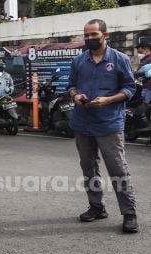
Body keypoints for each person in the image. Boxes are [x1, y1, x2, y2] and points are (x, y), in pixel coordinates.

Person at [68, 18, 138, 233]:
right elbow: (71, 86)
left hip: (109, 123)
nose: (89, 38)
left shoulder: (119, 59)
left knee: (117, 168)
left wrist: (107, 100)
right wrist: (76, 95)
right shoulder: (79, 61)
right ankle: (97, 207)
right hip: (83, 122)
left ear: (105, 35)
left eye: (94, 35)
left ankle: (129, 213)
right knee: (89, 168)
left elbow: (129, 88)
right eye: (86, 35)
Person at [135, 40, 151, 104]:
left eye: (139, 48)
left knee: (144, 108)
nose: (138, 50)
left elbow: (146, 73)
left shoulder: (149, 58)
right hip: (145, 86)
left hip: (148, 87)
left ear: (146, 48)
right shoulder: (145, 58)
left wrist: (136, 73)